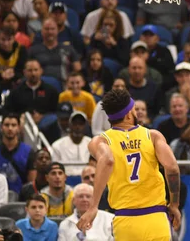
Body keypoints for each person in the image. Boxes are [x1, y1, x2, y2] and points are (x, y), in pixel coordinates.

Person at [76, 89, 182, 240]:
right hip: (156, 218)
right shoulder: (152, 136)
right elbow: (172, 168)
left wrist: (93, 207)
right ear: (128, 113)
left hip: (126, 220)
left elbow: (107, 160)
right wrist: (174, 204)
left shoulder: (101, 141)